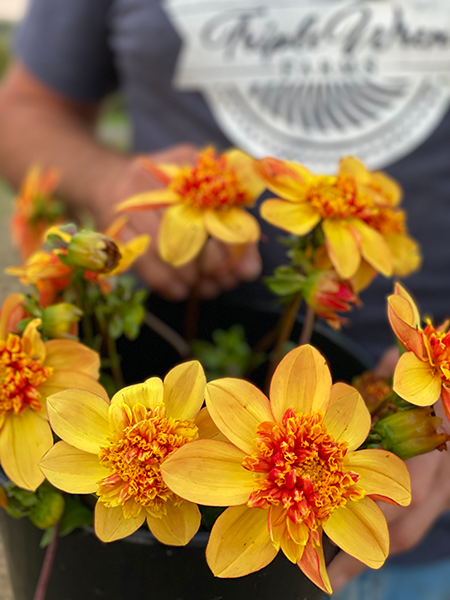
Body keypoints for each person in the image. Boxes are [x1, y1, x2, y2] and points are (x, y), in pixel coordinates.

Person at [0, 1, 450, 597]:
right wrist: (109, 184)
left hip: (420, 487)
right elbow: (24, 106)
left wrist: (421, 408)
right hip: (159, 361)